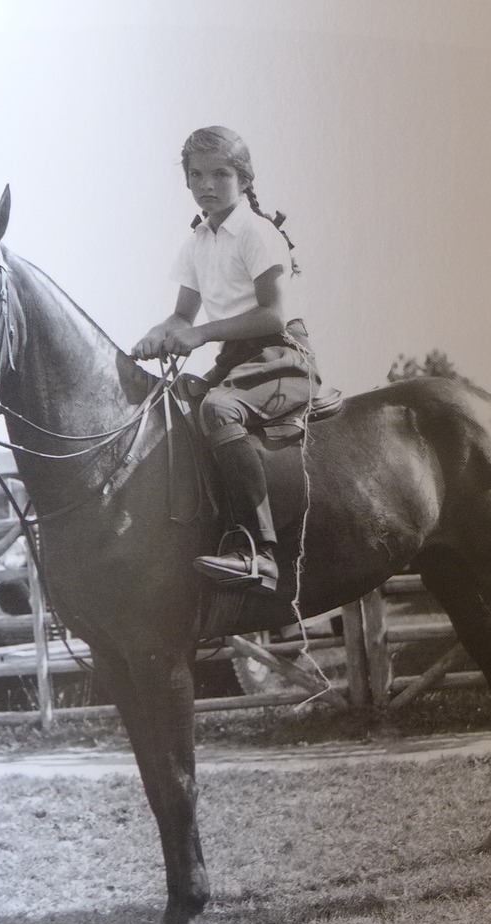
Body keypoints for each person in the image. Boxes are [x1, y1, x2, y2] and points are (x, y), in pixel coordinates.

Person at [133, 126, 329, 593]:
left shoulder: (257, 233)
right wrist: (155, 336)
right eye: (196, 174)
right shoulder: (198, 241)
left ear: (243, 178)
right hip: (236, 360)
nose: (207, 184)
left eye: (220, 173)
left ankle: (261, 552)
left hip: (283, 356)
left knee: (218, 408)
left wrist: (199, 334)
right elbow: (182, 315)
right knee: (176, 401)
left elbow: (272, 314)